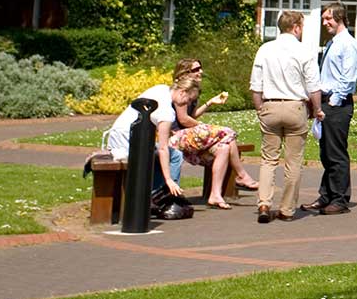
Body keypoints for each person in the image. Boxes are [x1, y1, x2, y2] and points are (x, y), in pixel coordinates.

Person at [249, 9, 320, 223]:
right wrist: (317, 109)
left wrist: (260, 109)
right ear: (296, 27)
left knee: (268, 159)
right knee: (293, 161)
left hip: (270, 105)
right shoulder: (304, 51)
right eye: (302, 27)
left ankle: (264, 203)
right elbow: (313, 86)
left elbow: (256, 85)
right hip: (295, 107)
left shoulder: (265, 49)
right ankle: (287, 209)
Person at [167, 58, 259, 208]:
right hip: (177, 137)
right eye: (196, 69)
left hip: (187, 136)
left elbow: (191, 115)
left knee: (224, 147)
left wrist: (210, 103)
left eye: (200, 68)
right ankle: (242, 175)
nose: (200, 71)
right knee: (227, 132)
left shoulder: (192, 89)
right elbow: (183, 119)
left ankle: (215, 195)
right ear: (184, 73)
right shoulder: (181, 91)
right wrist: (203, 126)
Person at [101, 74, 187, 219]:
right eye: (188, 99)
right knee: (173, 156)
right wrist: (169, 180)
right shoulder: (167, 111)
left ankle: (153, 197)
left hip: (117, 136)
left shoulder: (161, 89)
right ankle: (163, 199)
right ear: (182, 92)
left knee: (165, 157)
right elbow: (163, 148)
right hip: (130, 144)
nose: (186, 104)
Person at [305, 3, 357, 215]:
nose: (325, 23)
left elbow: (348, 78)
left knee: (336, 153)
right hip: (327, 101)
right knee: (326, 153)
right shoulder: (332, 43)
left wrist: (334, 102)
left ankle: (340, 199)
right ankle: (326, 195)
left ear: (340, 18)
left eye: (328, 18)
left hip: (338, 104)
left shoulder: (348, 44)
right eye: (323, 19)